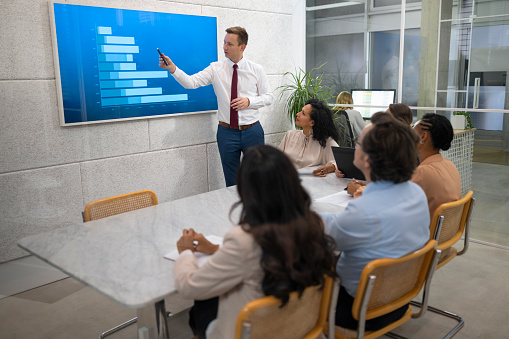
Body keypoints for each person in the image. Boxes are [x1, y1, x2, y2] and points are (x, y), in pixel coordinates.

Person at [174, 145, 336, 339]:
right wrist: (216, 249)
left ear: (246, 190)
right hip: (300, 327)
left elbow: (189, 286)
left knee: (202, 305)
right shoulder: (315, 224)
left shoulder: (243, 240)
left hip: (253, 332)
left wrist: (185, 252)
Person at [320, 112, 430, 331]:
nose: (355, 144)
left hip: (358, 311)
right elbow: (339, 225)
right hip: (399, 299)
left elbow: (323, 235)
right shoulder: (417, 194)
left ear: (367, 159)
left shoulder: (363, 212)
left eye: (359, 142)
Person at [159, 26, 273, 187]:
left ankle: (257, 212)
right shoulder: (215, 68)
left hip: (252, 131)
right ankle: (235, 211)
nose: (224, 47)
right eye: (224, 43)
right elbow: (191, 83)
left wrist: (249, 101)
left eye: (230, 44)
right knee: (231, 182)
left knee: (257, 180)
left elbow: (269, 97)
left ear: (242, 47)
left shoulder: (256, 69)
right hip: (227, 133)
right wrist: (173, 69)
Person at [412, 113, 461, 219]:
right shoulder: (450, 165)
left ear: (423, 136)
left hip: (424, 234)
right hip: (445, 233)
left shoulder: (423, 172)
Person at [278, 98, 342, 177]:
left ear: (312, 122)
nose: (297, 114)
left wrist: (327, 169)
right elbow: (276, 159)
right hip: (286, 181)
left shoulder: (326, 141)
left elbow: (339, 163)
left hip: (311, 185)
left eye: (303, 113)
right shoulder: (290, 135)